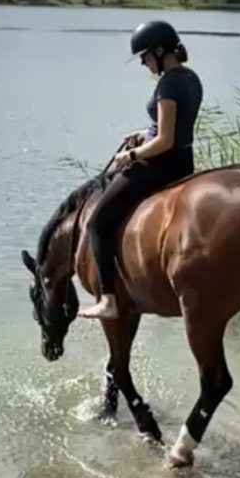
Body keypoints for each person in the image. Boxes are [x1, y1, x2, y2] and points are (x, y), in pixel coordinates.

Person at [79, 20, 204, 320]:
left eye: (145, 56)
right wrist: (141, 133)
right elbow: (174, 128)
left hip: (160, 165)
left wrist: (132, 154)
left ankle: (108, 299)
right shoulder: (191, 78)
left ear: (160, 51)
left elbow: (165, 140)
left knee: (98, 221)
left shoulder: (168, 84)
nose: (144, 63)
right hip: (183, 162)